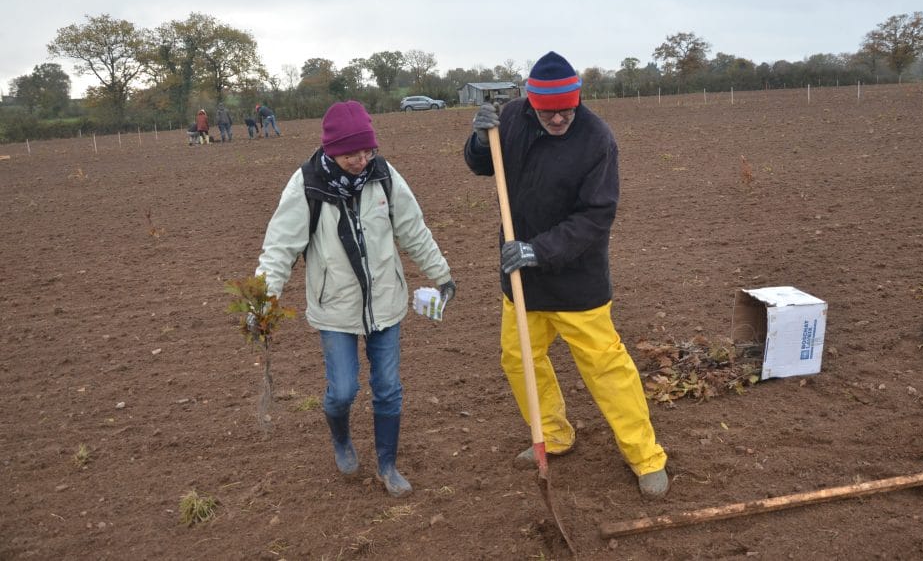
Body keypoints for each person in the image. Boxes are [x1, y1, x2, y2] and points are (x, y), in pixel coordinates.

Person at [463, 51, 669, 499]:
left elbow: (597, 216)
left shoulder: (597, 140)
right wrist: (481, 141)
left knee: (606, 368)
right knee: (519, 359)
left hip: (577, 281)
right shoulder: (514, 118)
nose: (558, 119)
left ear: (578, 100)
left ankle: (646, 456)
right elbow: (486, 166)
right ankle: (553, 436)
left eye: (566, 110)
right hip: (521, 280)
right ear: (533, 104)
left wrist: (539, 250)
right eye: (549, 112)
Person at [252, 100, 455, 498]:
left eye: (367, 151)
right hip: (335, 308)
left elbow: (413, 230)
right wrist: (261, 303)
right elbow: (278, 250)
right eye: (352, 154)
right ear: (331, 150)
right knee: (343, 390)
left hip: (386, 303)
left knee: (389, 388)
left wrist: (443, 275)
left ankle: (387, 465)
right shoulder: (307, 185)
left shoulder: (384, 176)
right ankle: (342, 439)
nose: (362, 160)